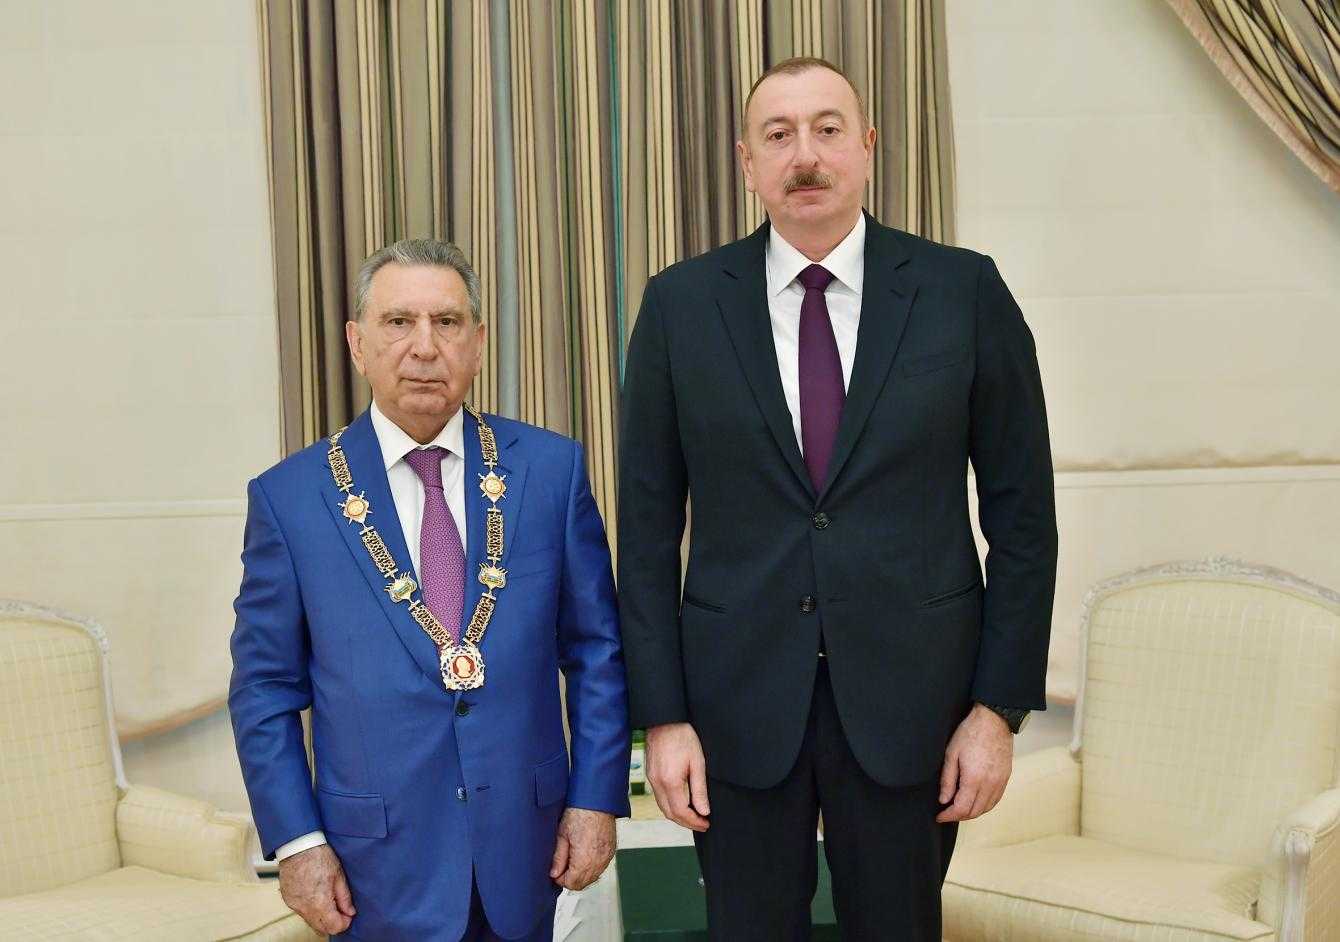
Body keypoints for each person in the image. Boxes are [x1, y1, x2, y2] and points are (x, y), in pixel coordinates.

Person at [617, 57, 1057, 940]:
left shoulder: (962, 292)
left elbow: (1022, 518)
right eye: (778, 135)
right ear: (747, 163)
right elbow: (646, 529)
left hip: (915, 709)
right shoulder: (680, 306)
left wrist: (996, 710)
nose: (804, 155)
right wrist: (661, 720)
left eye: (826, 129)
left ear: (867, 147)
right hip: (738, 706)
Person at [230, 239, 630, 940]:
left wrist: (595, 799)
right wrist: (297, 842)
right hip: (373, 864)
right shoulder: (292, 500)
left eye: (446, 323)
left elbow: (597, 651)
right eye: (397, 323)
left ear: (477, 343)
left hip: (526, 846)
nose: (423, 348)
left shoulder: (549, 471)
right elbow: (263, 688)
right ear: (357, 344)